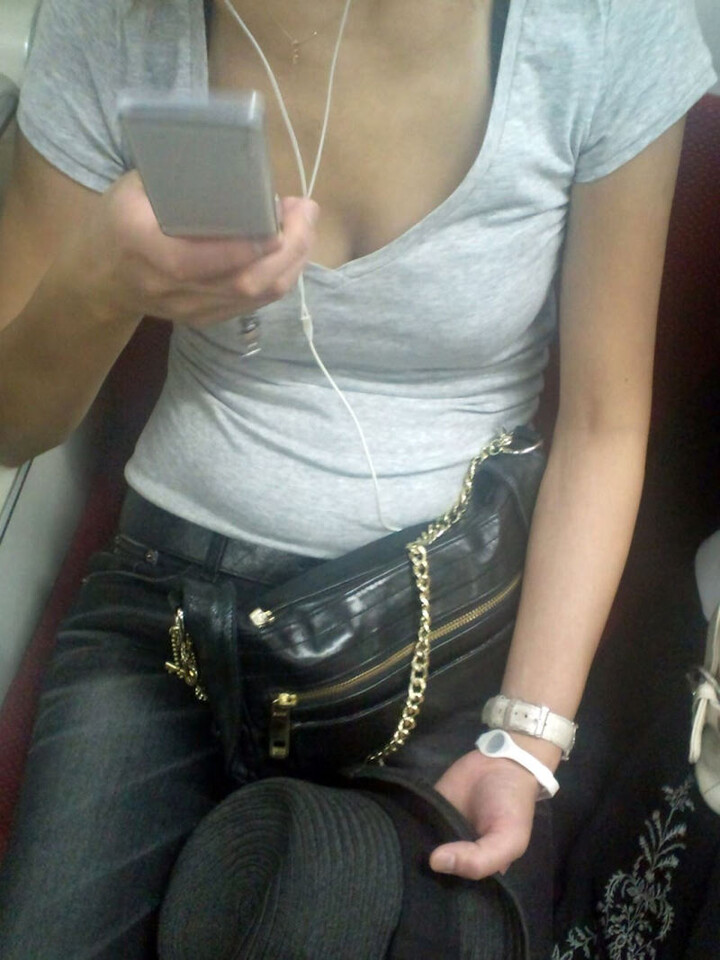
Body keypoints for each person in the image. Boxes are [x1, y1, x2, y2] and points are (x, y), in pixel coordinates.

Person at [0, 0, 714, 956]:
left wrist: (526, 741)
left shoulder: (602, 26)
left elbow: (603, 423)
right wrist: (96, 285)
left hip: (440, 630)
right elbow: (14, 424)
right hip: (168, 618)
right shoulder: (116, 21)